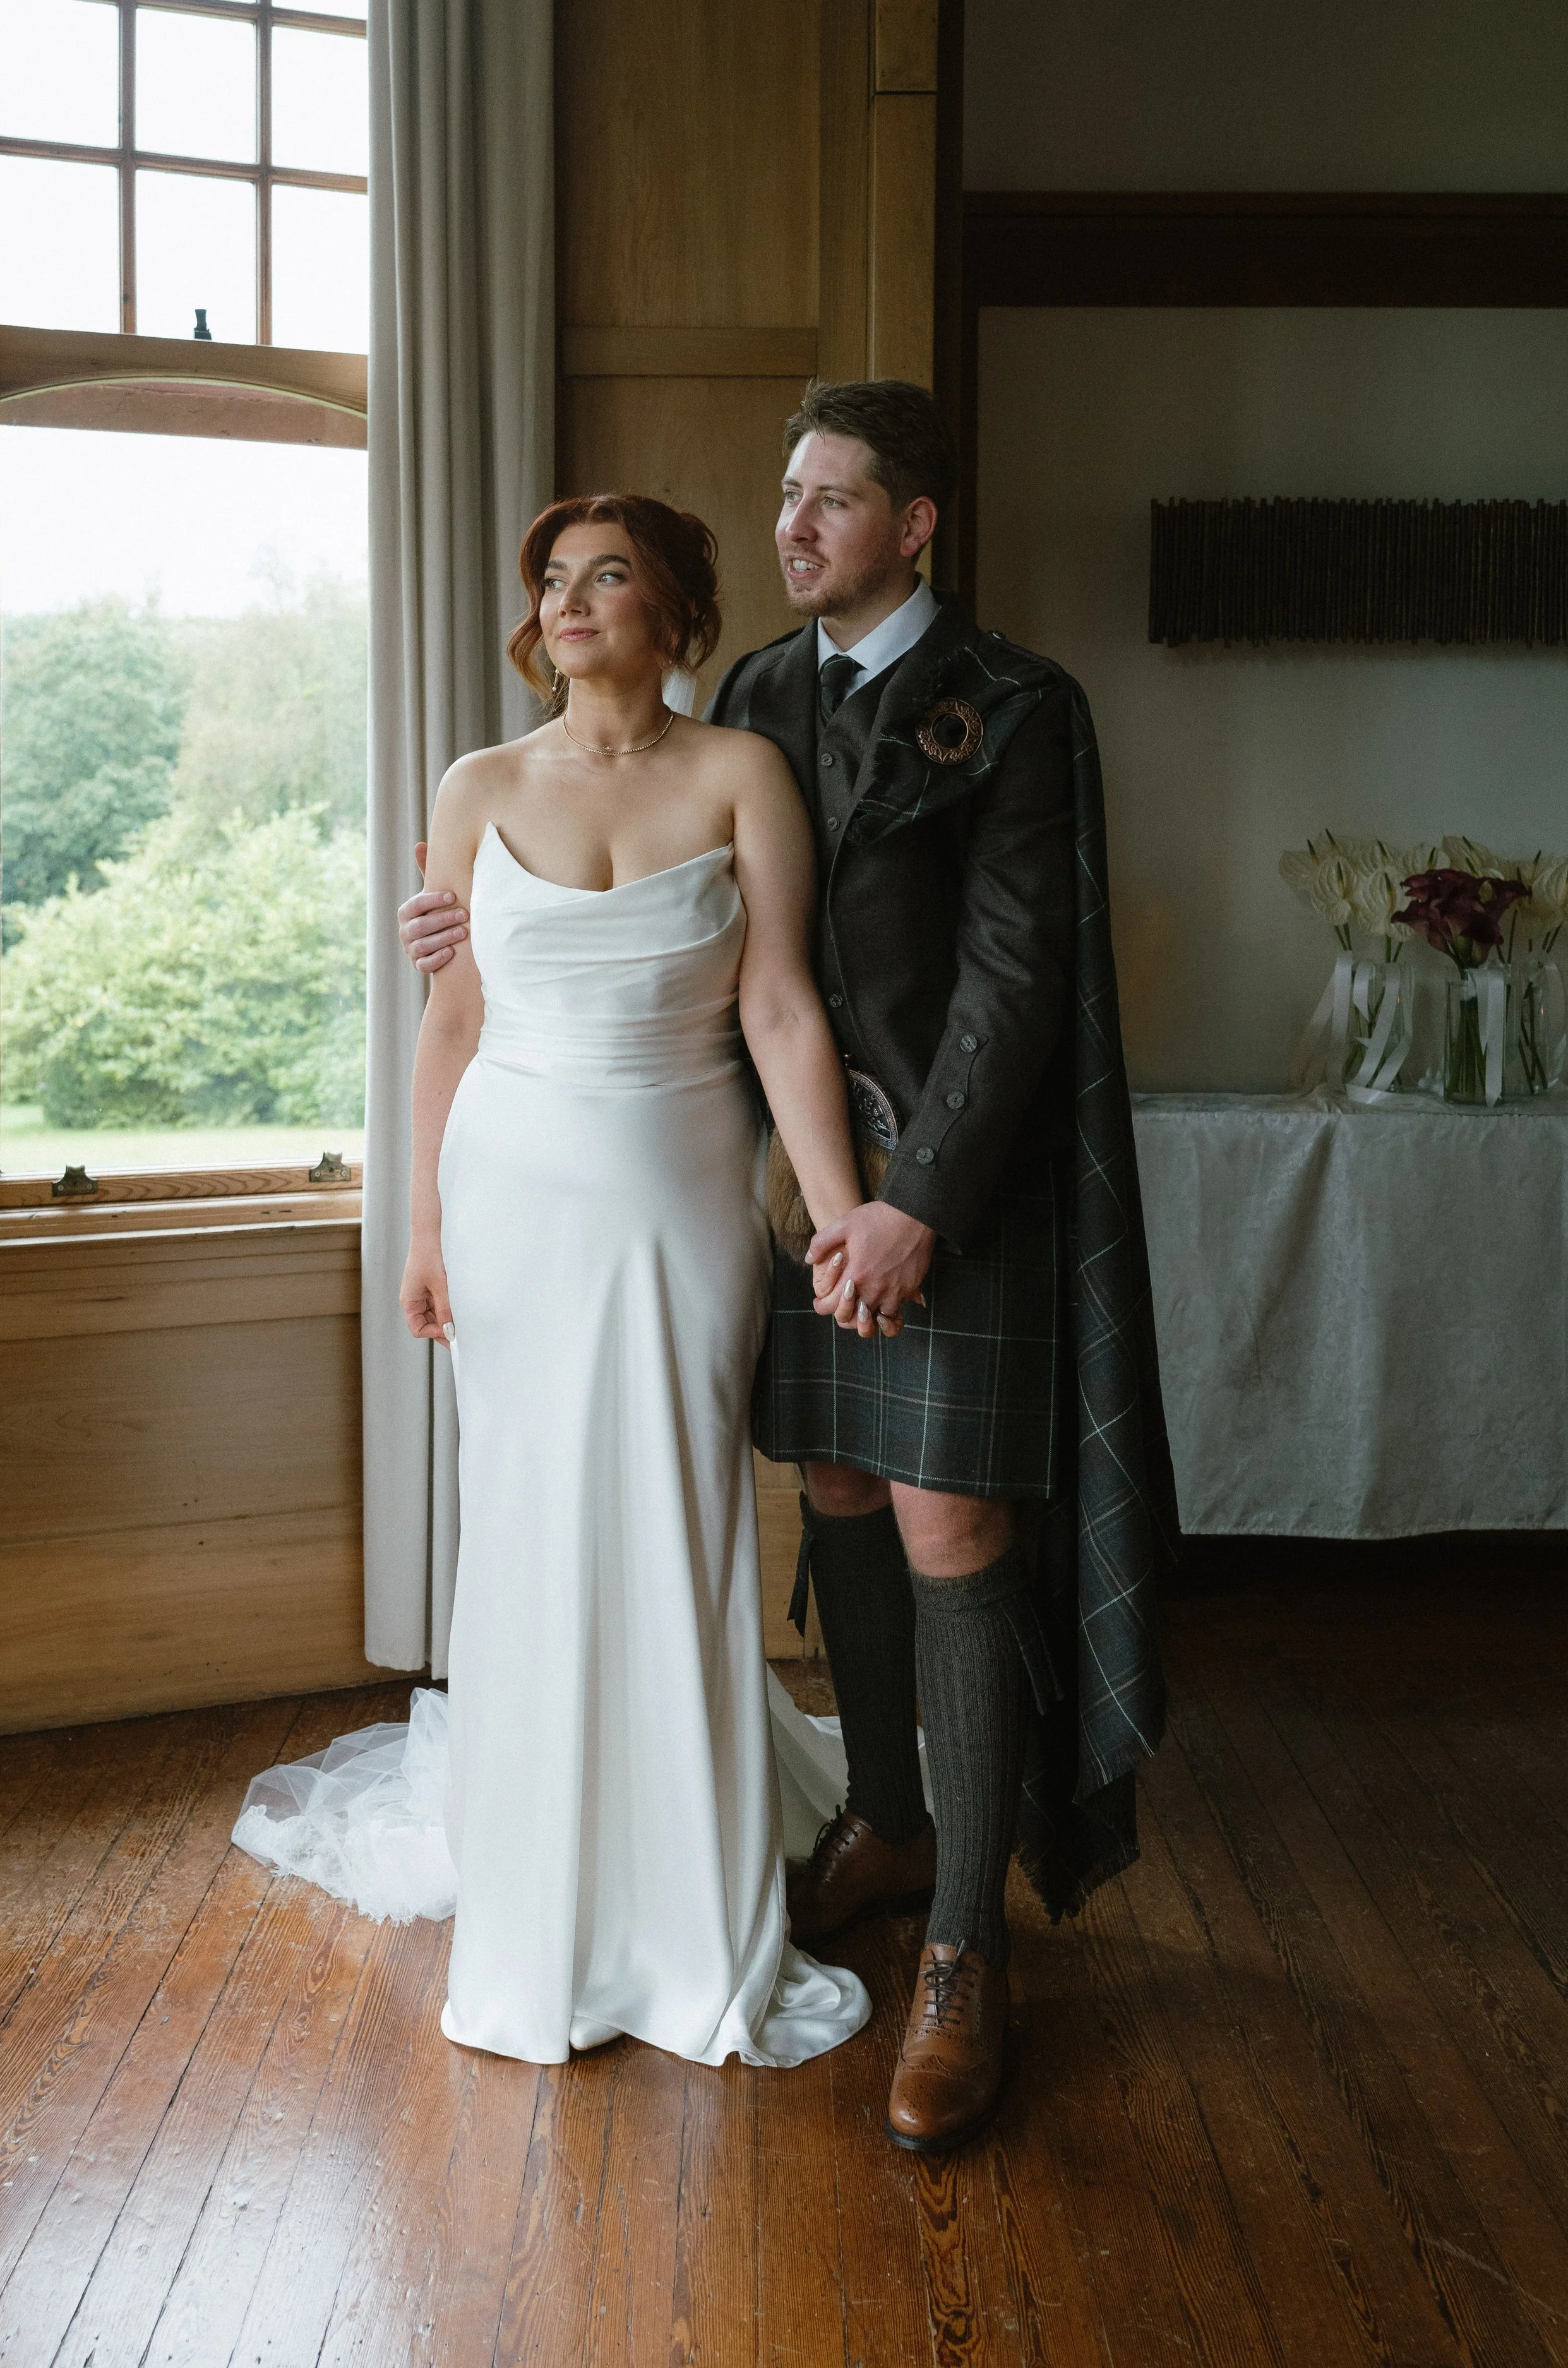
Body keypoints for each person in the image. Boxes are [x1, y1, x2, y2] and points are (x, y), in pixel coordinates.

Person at [400, 382, 1178, 2151]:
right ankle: (888, 1821)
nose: (794, 524)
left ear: (915, 525)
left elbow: (1011, 981)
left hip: (931, 1197)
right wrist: (475, 923)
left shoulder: (1022, 709)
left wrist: (904, 1202)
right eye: (783, 496)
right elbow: (711, 959)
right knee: (834, 1481)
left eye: (833, 499)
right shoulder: (748, 696)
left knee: (950, 1525)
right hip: (777, 1194)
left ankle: (966, 1950)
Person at [236, 492, 872, 2072]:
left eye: (611, 578)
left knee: (672, 1506)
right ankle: (544, 1887)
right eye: (555, 580)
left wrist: (845, 1214)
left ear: (673, 614)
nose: (573, 601)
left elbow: (785, 1008)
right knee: (530, 1521)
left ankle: (686, 1894)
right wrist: (424, 1229)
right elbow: (447, 1027)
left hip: (680, 1194)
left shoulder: (742, 774)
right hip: (507, 1194)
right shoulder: (475, 785)